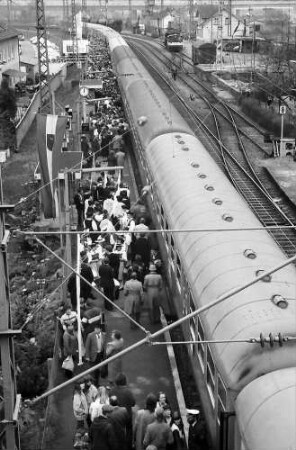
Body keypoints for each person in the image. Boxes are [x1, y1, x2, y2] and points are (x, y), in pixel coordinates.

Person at [110, 373, 136, 450]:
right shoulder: (128, 392)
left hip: (115, 415)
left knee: (116, 431)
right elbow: (133, 403)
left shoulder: (112, 391)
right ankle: (129, 446)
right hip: (127, 415)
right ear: (124, 381)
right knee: (129, 429)